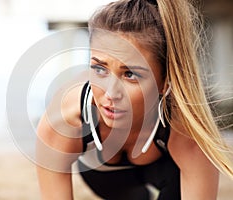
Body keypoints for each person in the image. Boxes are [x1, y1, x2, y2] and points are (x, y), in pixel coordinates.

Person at [35, 0, 233, 199]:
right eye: (99, 69)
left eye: (130, 75)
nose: (110, 93)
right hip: (107, 181)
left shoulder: (186, 130)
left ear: (165, 81)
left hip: (170, 178)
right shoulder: (63, 121)